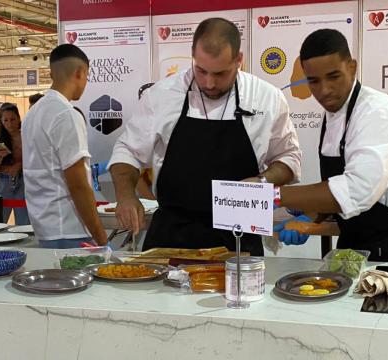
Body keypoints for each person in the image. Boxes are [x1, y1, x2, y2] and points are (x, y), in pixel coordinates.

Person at [108, 18, 301, 256]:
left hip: (239, 242)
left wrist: (263, 181)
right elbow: (127, 151)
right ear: (192, 56)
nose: (209, 83)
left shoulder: (266, 98)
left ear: (239, 60)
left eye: (220, 73)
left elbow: (289, 158)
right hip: (171, 237)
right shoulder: (161, 96)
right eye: (201, 71)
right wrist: (125, 195)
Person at [273, 29, 388, 264]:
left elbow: (357, 190)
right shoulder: (333, 115)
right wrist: (311, 217)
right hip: (354, 244)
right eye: (313, 81)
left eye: (333, 76)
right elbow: (338, 184)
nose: (324, 90)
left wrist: (272, 196)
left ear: (352, 67)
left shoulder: (377, 112)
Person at [22, 44, 107, 248]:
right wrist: (100, 236)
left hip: (45, 228)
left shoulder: (32, 114)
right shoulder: (66, 114)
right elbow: (77, 184)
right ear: (80, 72)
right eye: (87, 76)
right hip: (69, 228)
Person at [0, 103, 30, 225]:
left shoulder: (26, 136)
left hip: (23, 182)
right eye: (5, 120)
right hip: (3, 182)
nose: (10, 124)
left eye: (13, 119)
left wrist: (19, 164)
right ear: (1, 121)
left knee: (24, 225)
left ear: (19, 118)